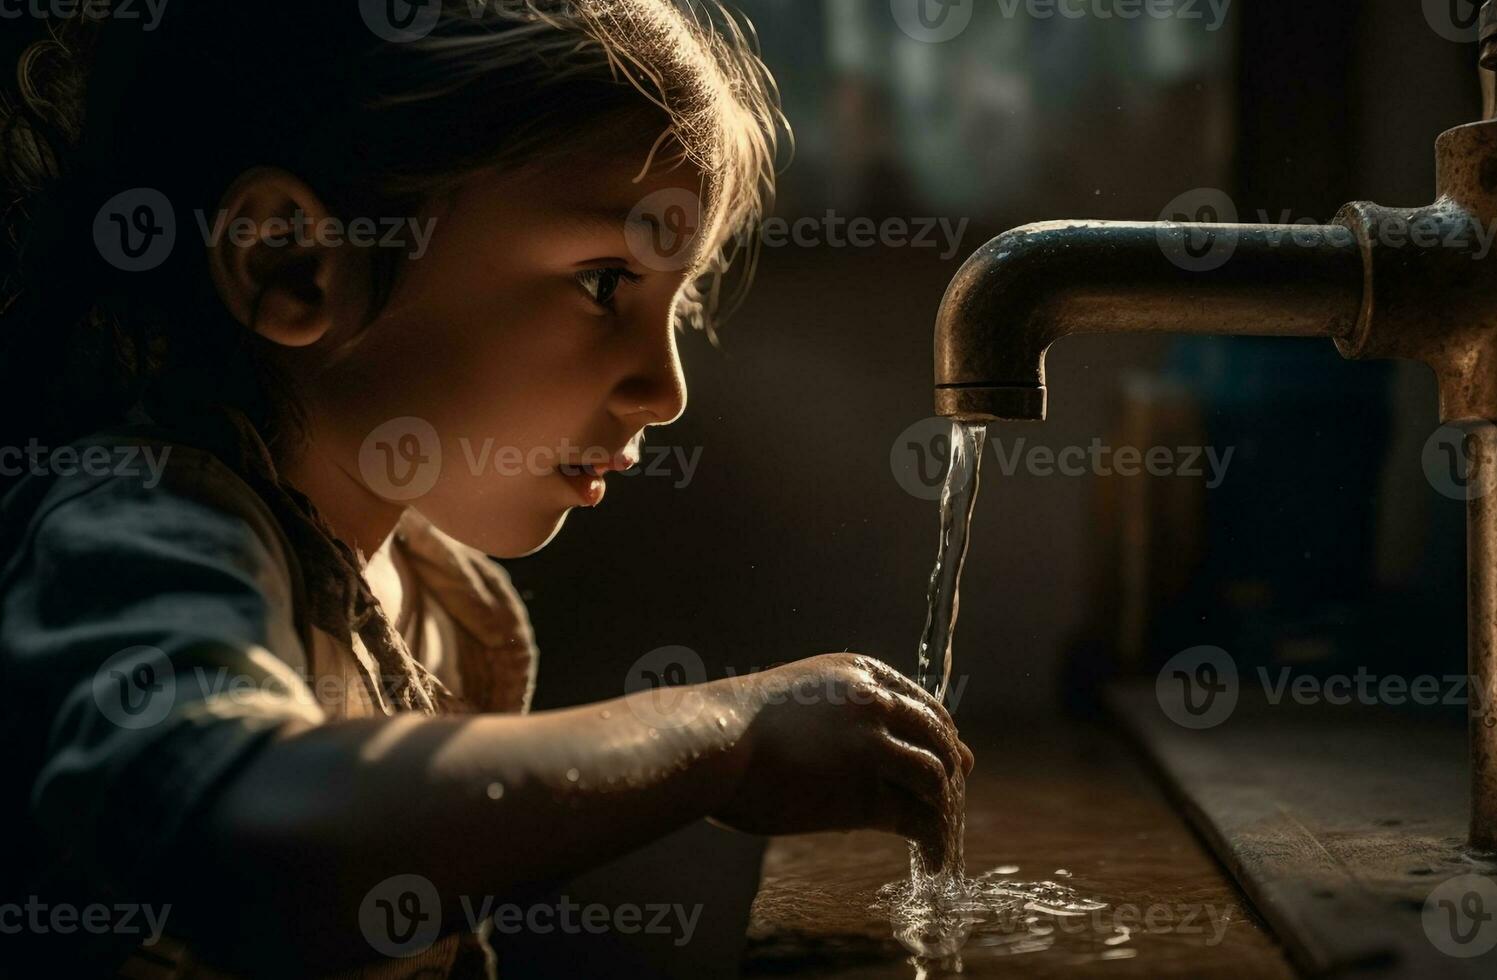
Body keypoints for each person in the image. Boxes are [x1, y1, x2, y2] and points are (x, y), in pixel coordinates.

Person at [0, 2, 971, 975]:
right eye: (604, 283)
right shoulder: (136, 525)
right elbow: (241, 829)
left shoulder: (441, 598)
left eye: (680, 302)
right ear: (291, 264)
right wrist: (730, 736)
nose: (665, 391)